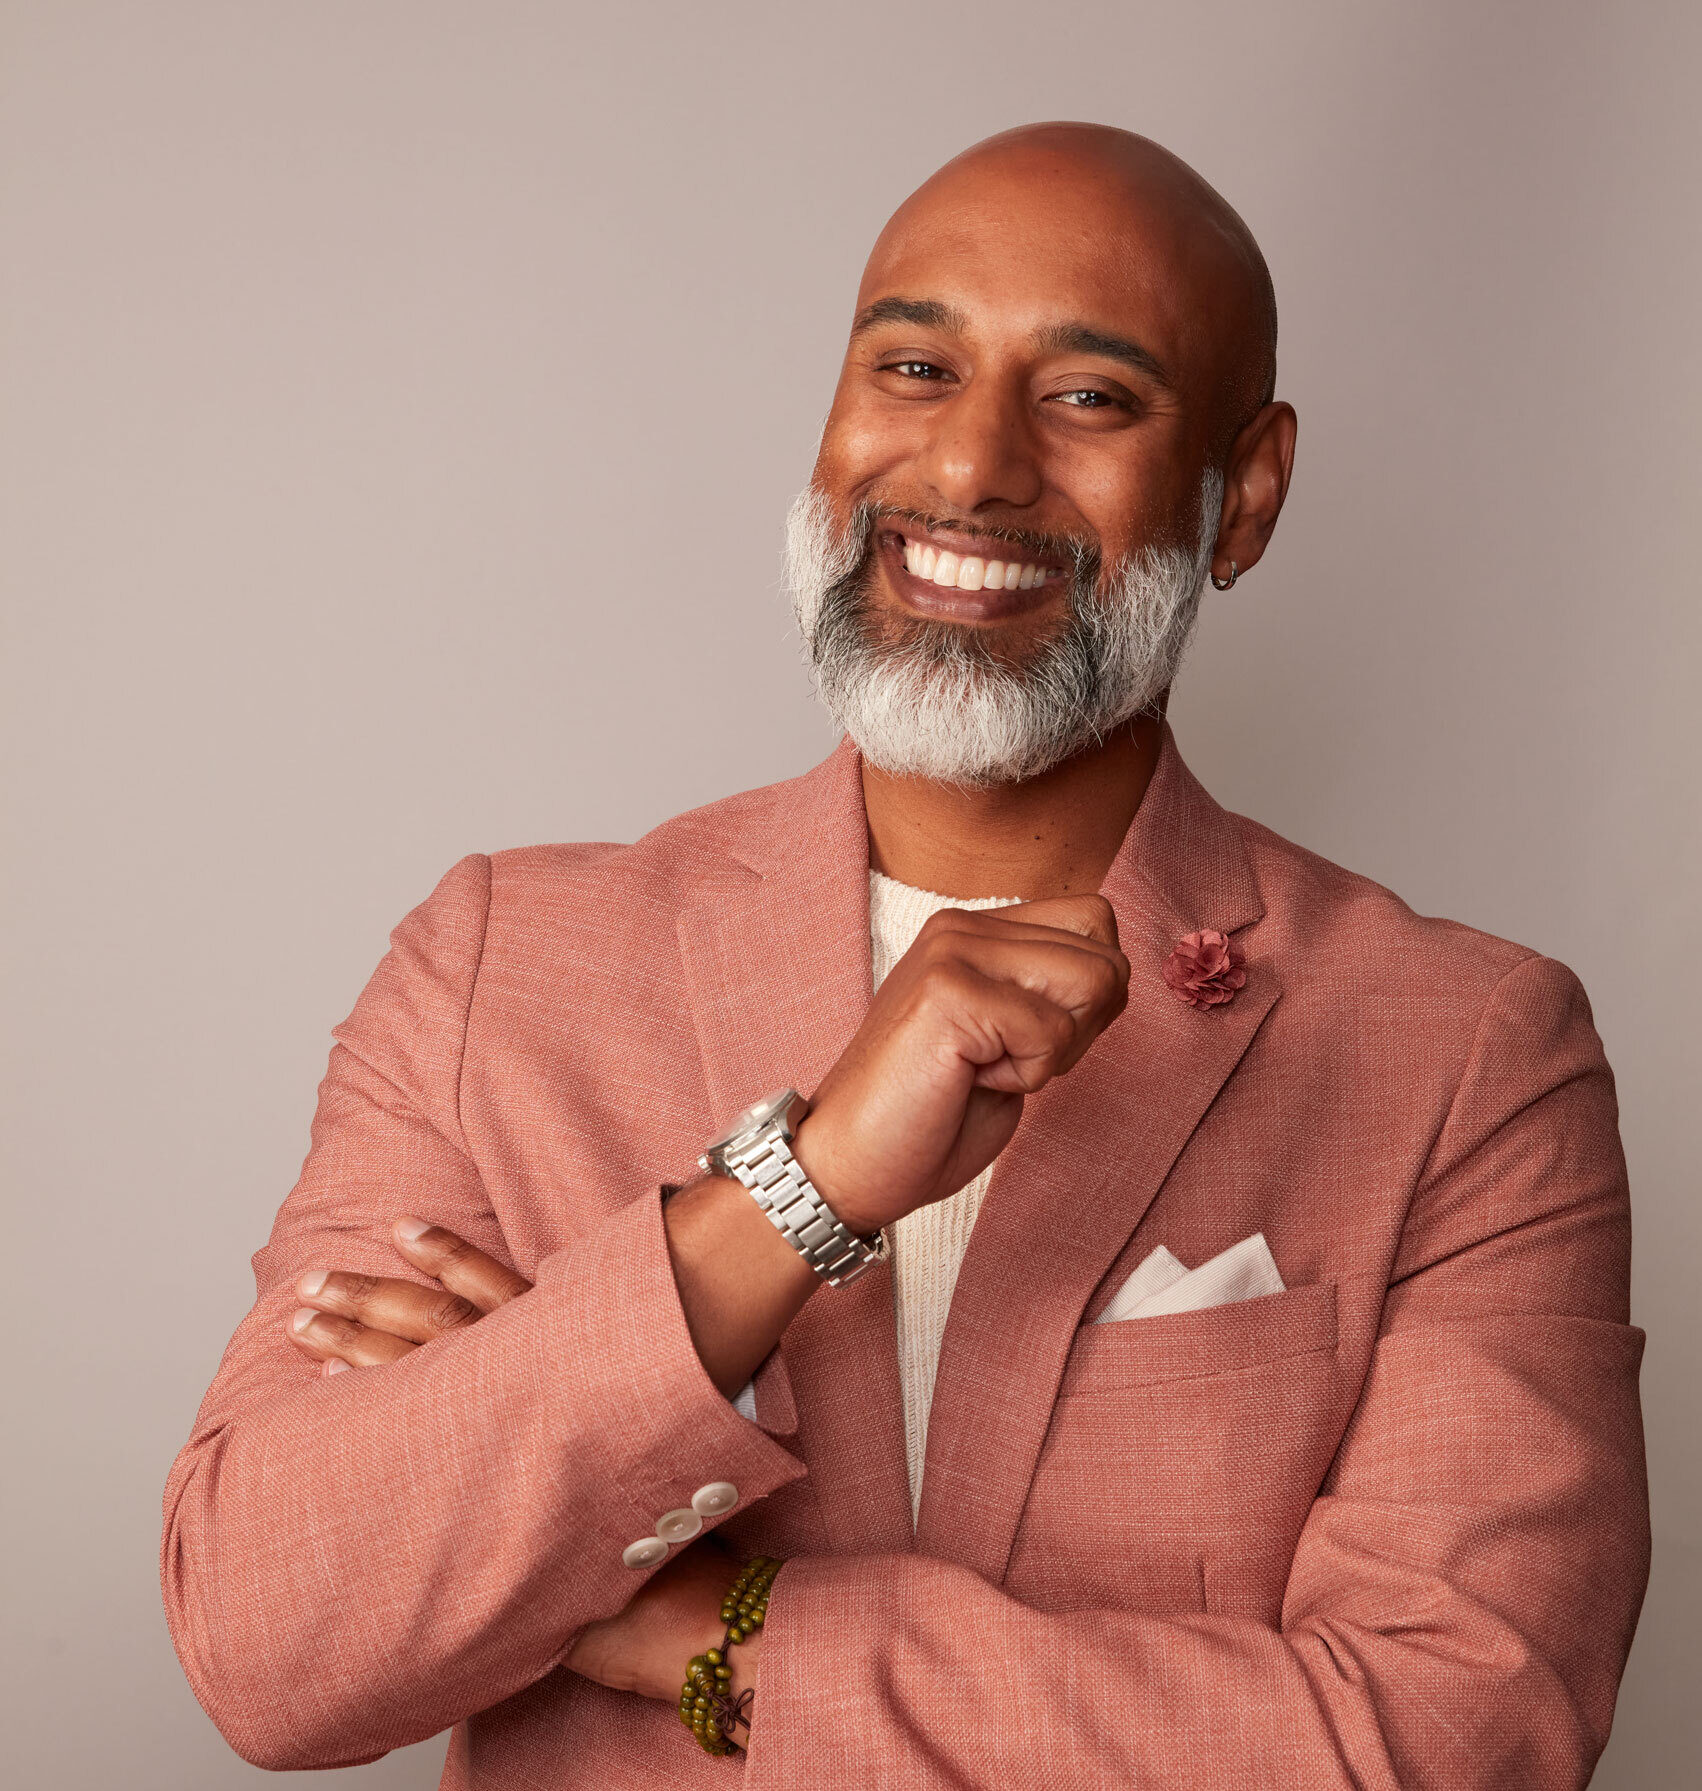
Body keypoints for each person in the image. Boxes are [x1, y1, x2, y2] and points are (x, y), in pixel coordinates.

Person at [161, 122, 1648, 1788]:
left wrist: (722, 1634)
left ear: (1243, 495)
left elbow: (1458, 1740)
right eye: (914, 367)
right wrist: (797, 1195)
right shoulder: (498, 967)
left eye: (1089, 396)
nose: (969, 468)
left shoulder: (1463, 1051)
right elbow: (269, 1644)